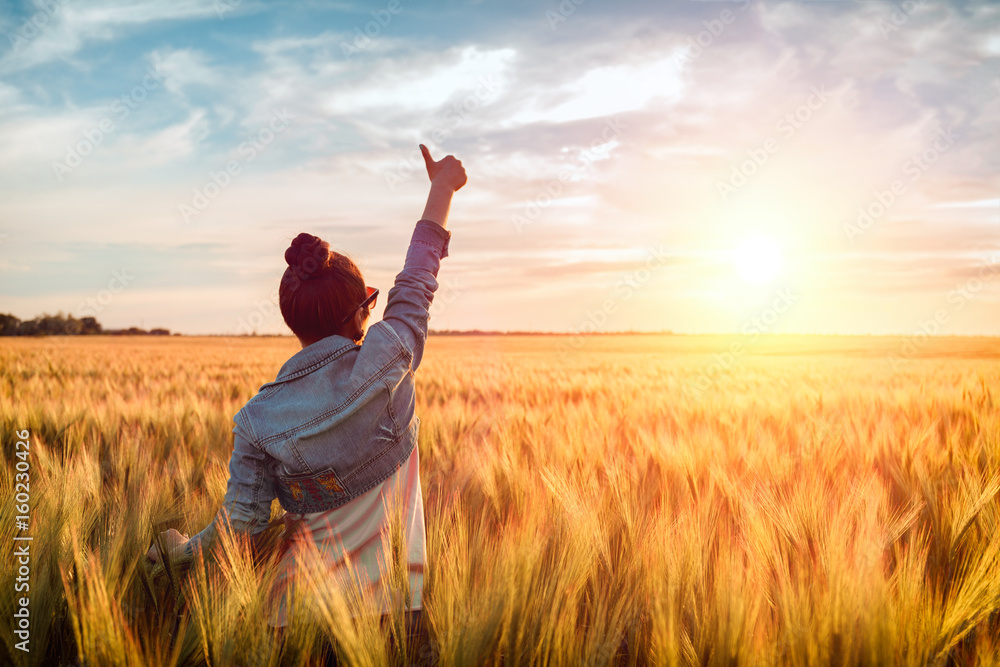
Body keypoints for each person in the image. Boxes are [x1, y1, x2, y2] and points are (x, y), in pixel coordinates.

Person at [147, 143, 467, 663]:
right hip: (392, 612)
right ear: (364, 307)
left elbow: (240, 530)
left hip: (290, 622)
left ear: (294, 323)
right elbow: (417, 279)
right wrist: (441, 188)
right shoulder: (390, 359)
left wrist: (181, 553)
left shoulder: (255, 420)